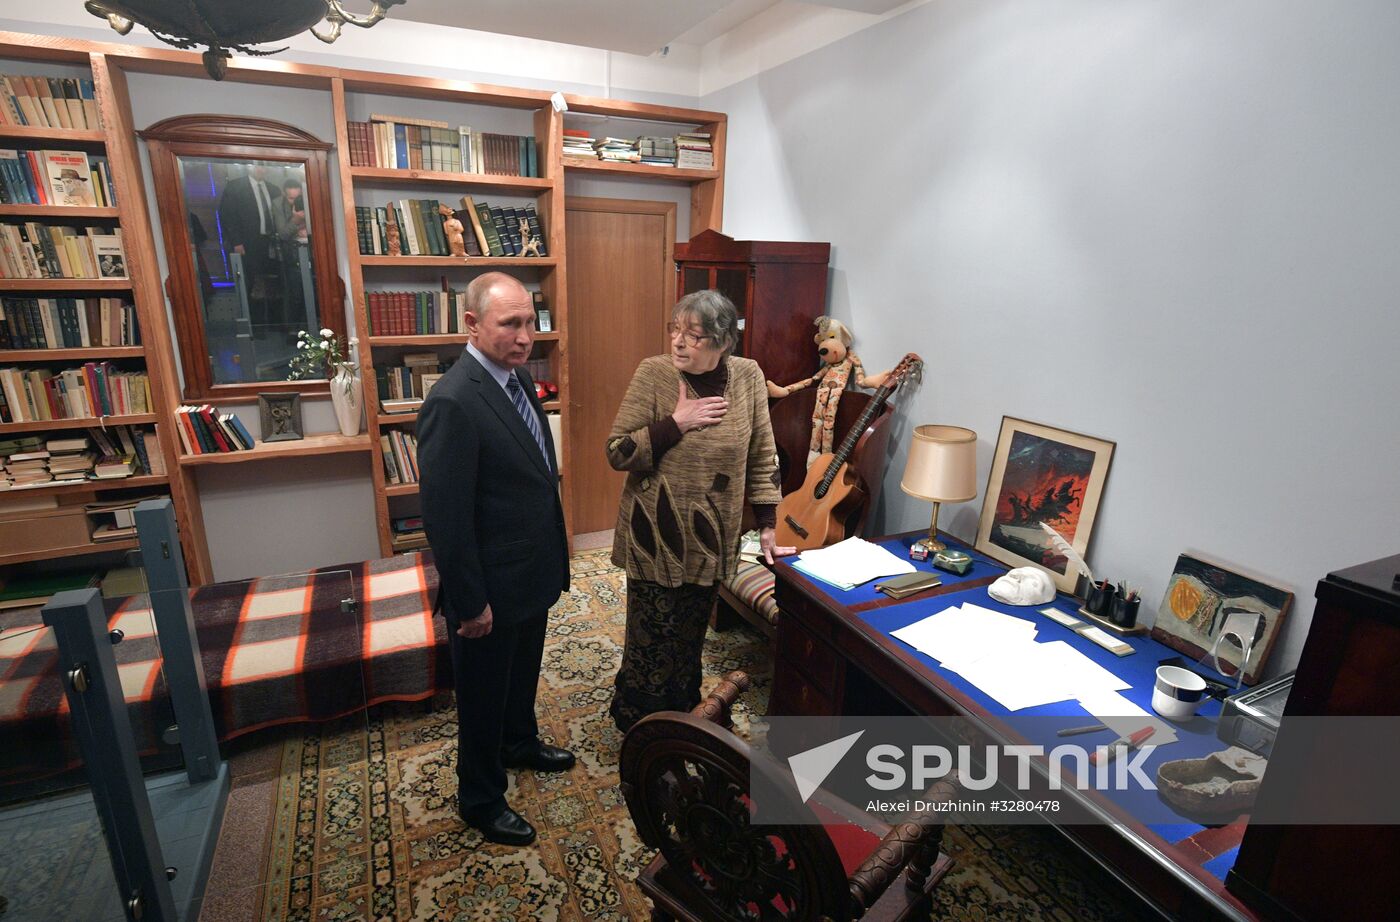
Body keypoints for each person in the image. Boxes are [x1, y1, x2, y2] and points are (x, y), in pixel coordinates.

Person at [416, 272, 573, 847]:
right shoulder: (454, 400)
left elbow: (533, 477)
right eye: (510, 323)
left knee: (522, 672)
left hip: (530, 571)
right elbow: (446, 517)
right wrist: (470, 598)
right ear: (472, 325)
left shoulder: (517, 380)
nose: (526, 335)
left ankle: (520, 742)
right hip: (488, 585)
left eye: (530, 321)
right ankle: (480, 796)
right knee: (481, 697)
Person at [606, 289, 793, 731]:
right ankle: (642, 727)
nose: (679, 342)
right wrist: (676, 423)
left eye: (694, 335)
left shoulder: (748, 377)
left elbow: (763, 451)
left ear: (724, 341)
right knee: (651, 640)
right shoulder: (654, 374)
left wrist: (767, 522)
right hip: (655, 535)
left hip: (713, 534)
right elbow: (617, 451)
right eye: (676, 330)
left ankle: (684, 718)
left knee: (689, 639)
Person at [217, 165, 278, 325]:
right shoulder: (235, 187)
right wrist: (237, 242)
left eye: (264, 165)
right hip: (248, 244)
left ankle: (275, 322)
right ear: (249, 167)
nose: (261, 169)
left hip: (272, 243)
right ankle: (256, 325)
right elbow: (227, 216)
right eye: (257, 165)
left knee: (273, 283)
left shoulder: (274, 189)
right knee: (251, 284)